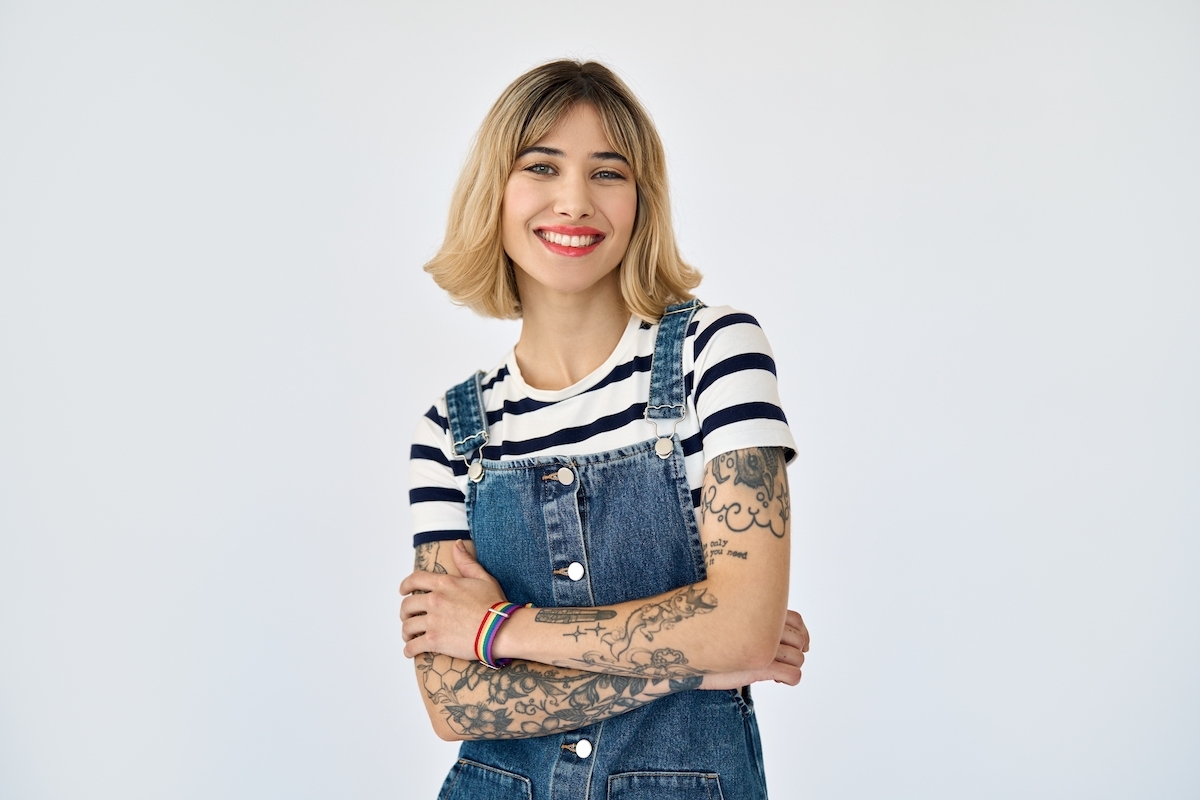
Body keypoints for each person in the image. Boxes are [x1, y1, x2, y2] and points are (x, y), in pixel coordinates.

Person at [399, 60, 810, 800]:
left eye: (608, 173)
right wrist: (705, 658)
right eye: (542, 166)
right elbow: (453, 704)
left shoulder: (714, 355)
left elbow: (746, 628)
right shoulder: (450, 433)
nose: (574, 201)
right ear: (494, 191)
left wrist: (499, 632)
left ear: (641, 201)